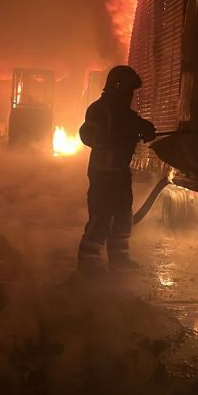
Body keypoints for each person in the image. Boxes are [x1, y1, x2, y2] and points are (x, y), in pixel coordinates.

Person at [77, 65, 156, 270]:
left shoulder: (126, 114)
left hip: (120, 172)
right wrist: (111, 139)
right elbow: (87, 135)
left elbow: (136, 125)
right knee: (101, 215)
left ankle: (120, 257)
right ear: (117, 86)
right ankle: (89, 260)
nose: (130, 95)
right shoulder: (98, 110)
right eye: (128, 90)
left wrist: (144, 129)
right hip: (102, 172)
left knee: (122, 214)